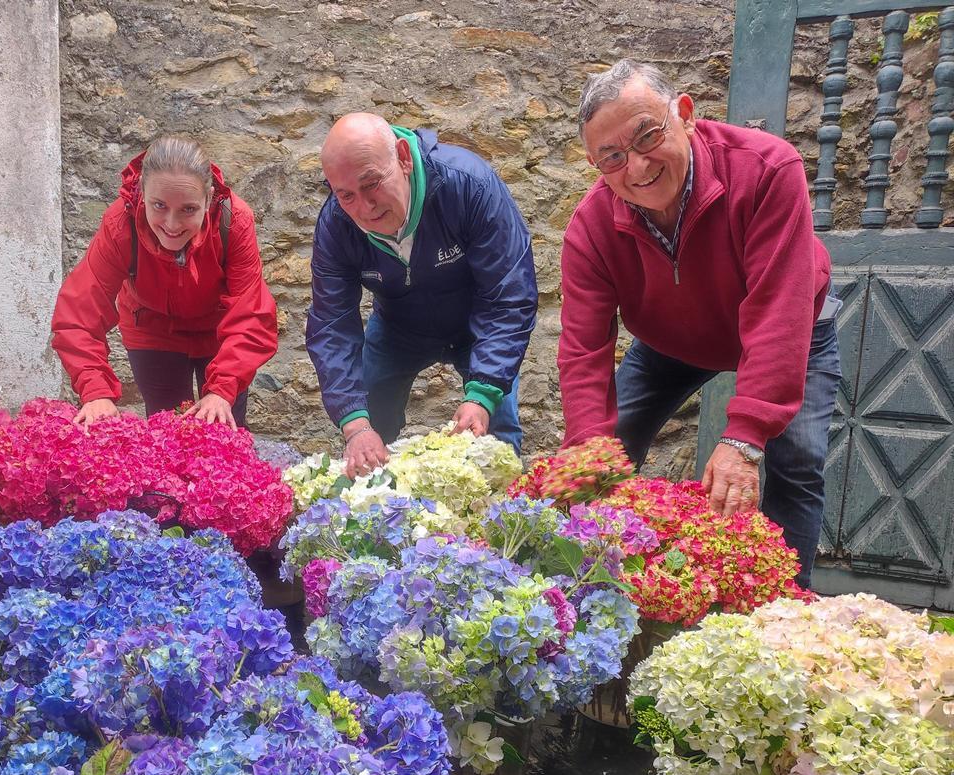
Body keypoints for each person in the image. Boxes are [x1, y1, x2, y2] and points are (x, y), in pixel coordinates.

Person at [558, 60, 842, 587]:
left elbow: (779, 311)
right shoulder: (590, 228)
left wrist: (746, 437)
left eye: (648, 135)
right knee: (602, 453)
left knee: (797, 461)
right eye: (612, 158)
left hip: (794, 323)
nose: (637, 167)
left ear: (685, 114)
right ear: (594, 164)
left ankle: (783, 612)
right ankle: (599, 594)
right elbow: (583, 350)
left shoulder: (766, 168)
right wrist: (587, 450)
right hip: (672, 341)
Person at [307, 112, 538, 476]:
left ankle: (500, 519)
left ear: (402, 157)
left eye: (372, 184)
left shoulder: (468, 185)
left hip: (478, 325)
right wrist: (355, 426)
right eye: (346, 195)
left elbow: (508, 293)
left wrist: (483, 394)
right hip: (398, 327)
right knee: (368, 428)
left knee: (494, 435)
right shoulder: (336, 225)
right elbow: (332, 325)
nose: (365, 208)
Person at [52, 136, 278, 430]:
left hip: (220, 334)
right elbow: (78, 312)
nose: (171, 225)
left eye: (188, 209)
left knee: (224, 427)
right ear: (143, 192)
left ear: (208, 199)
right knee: (165, 431)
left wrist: (222, 390)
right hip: (152, 331)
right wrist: (95, 392)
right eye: (159, 205)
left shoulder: (234, 221)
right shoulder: (120, 224)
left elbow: (251, 312)